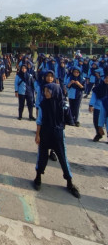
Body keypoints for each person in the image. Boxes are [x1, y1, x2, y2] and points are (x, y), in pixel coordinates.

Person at [34, 70, 80, 198]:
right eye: (45, 91)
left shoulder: (63, 104)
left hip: (58, 134)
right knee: (42, 156)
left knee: (63, 158)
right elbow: (40, 121)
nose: (45, 93)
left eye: (48, 91)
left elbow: (68, 119)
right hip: (45, 133)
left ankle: (69, 182)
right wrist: (37, 134)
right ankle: (38, 177)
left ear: (54, 91)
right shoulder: (43, 104)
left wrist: (60, 128)